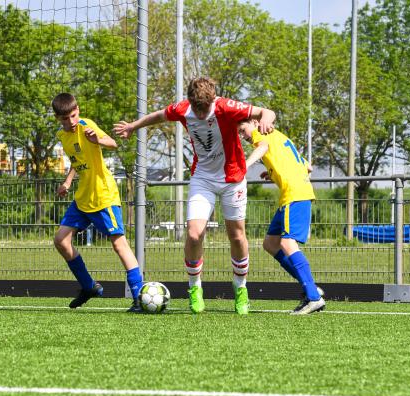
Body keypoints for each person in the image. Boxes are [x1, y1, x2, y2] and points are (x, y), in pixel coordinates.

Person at [114, 77, 276, 315]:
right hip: (203, 178)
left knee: (237, 235)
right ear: (190, 102)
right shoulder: (183, 109)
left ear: (212, 100)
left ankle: (241, 289)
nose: (200, 114)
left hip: (233, 178)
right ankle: (194, 288)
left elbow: (267, 112)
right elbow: (158, 115)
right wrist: (132, 126)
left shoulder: (226, 107)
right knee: (193, 233)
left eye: (205, 108)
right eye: (197, 109)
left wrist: (265, 122)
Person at [52, 93, 143, 311]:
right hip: (83, 197)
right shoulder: (62, 136)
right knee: (61, 241)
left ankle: (139, 295)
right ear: (57, 118)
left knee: (118, 244)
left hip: (103, 196)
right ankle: (89, 287)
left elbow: (112, 144)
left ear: (78, 110)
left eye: (73, 116)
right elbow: (78, 159)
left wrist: (98, 139)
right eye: (65, 119)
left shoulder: (86, 126)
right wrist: (67, 181)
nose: (71, 122)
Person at [238, 118, 325, 315]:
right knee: (270, 243)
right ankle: (310, 287)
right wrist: (274, 173)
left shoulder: (262, 133)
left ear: (254, 121)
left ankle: (313, 296)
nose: (243, 136)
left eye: (243, 130)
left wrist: (244, 166)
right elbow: (307, 167)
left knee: (287, 244)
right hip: (294, 194)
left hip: (294, 195)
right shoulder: (280, 137)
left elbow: (262, 146)